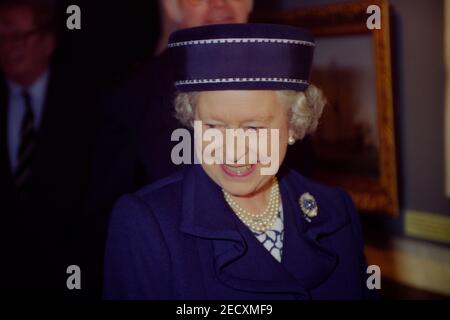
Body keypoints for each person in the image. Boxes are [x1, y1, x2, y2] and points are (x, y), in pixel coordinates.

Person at [103, 23, 373, 300]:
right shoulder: (147, 224)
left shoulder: (336, 211)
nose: (233, 152)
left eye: (253, 129)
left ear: (293, 125)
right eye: (213, 126)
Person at [84, 0, 254, 298]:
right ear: (172, 6)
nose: (219, 2)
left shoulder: (280, 90)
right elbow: (106, 225)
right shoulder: (132, 95)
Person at [0, 0, 95, 298]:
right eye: (1, 37)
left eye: (19, 36)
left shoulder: (88, 107)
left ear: (48, 40)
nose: (9, 46)